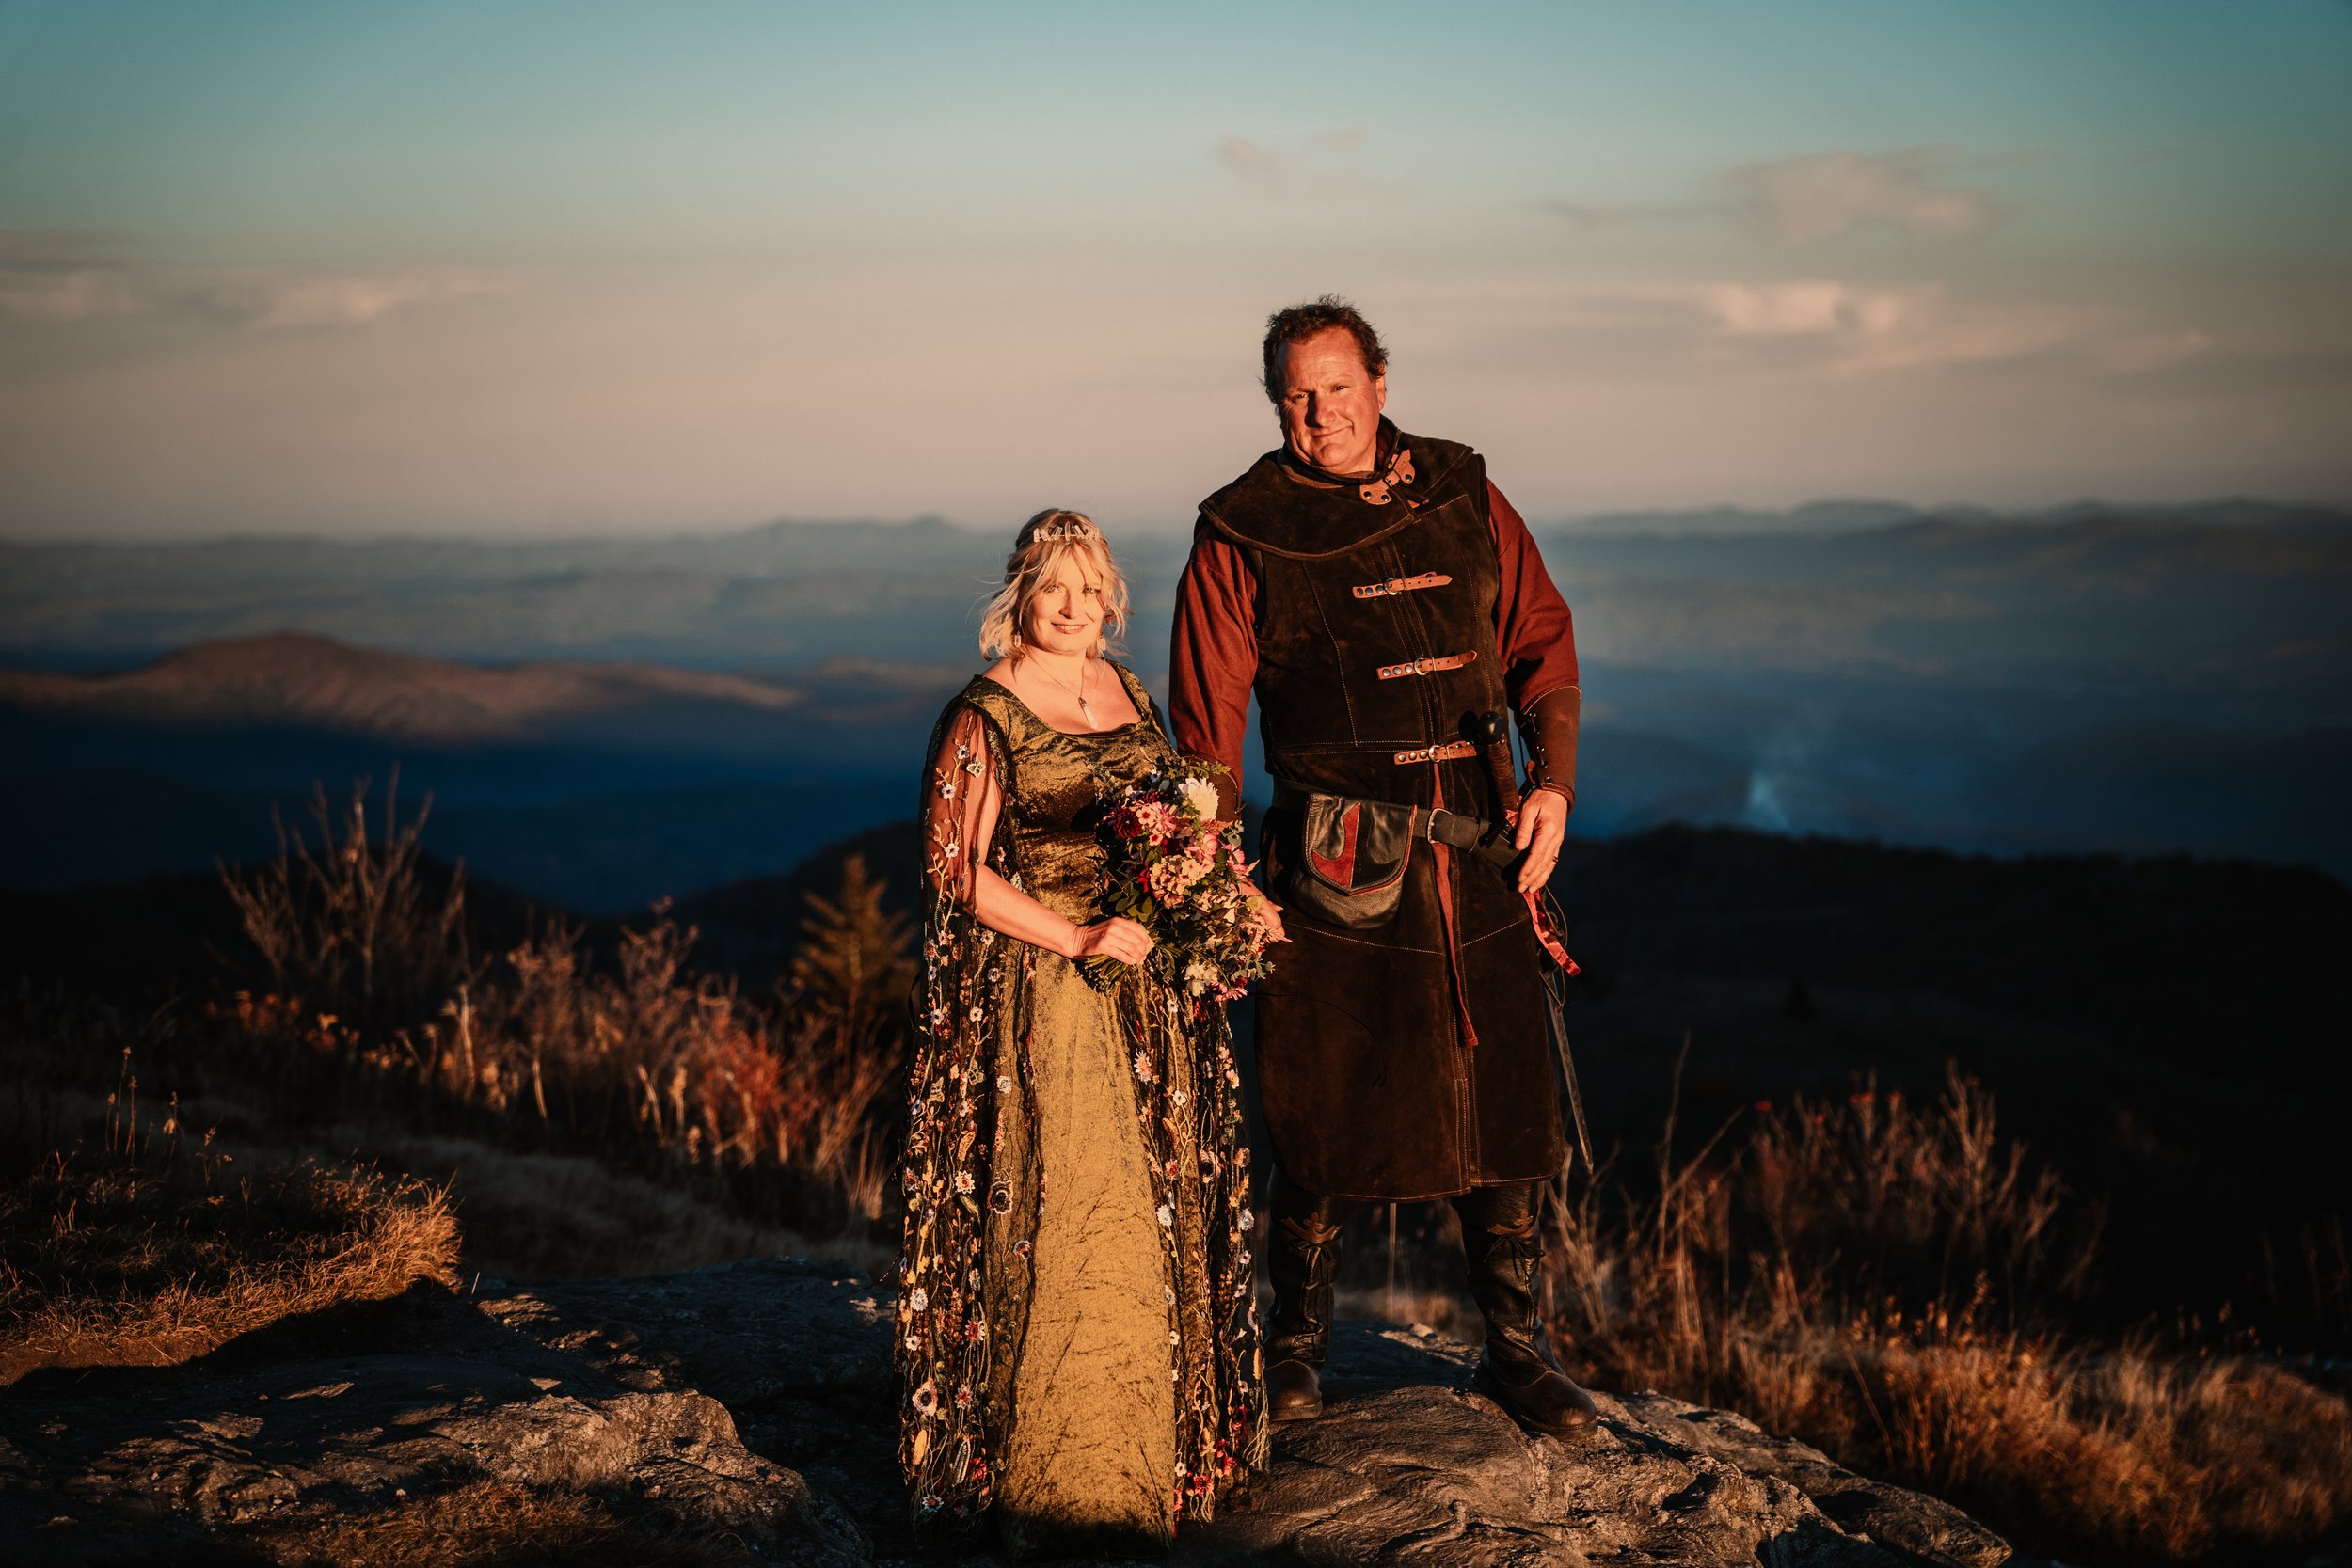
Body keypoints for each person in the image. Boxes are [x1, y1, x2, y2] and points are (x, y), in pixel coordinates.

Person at [1168, 297, 1601, 1439]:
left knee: (1499, 1100)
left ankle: (1515, 1352)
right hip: (1331, 858)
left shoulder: (1462, 488)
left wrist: (1549, 781)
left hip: (1480, 845)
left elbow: (1538, 638)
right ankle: (1294, 1348)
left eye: (1340, 388)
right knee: (1321, 1100)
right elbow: (1205, 723)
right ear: (1277, 403)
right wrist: (1219, 871)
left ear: (1380, 381)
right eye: (1298, 396)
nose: (1322, 414)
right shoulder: (1241, 530)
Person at [895, 509, 1268, 1556]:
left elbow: (1180, 824)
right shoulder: (984, 710)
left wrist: (1211, 899)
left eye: (1087, 587)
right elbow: (955, 871)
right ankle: (1061, 1470)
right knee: (1075, 1207)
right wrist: (1075, 933)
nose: (1070, 607)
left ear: (1112, 595)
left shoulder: (1128, 692)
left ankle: (1154, 1452)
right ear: (1019, 593)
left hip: (1144, 977)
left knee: (1155, 1210)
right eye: (1050, 587)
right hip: (1043, 981)